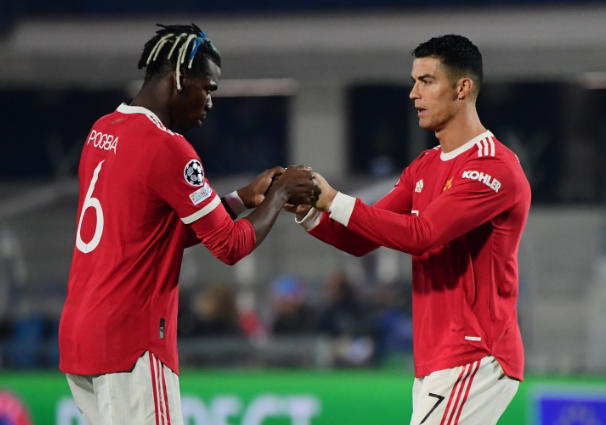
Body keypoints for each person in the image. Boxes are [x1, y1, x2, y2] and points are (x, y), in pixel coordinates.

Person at [58, 23, 314, 425]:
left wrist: (239, 199)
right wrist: (280, 193)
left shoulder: (102, 130)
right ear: (179, 78)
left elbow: (152, 234)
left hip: (81, 338)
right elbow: (230, 246)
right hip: (132, 344)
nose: (210, 103)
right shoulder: (167, 147)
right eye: (207, 89)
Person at [294, 35, 531, 424]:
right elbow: (360, 238)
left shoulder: (493, 167)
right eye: (414, 81)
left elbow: (422, 234)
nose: (413, 93)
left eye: (427, 81)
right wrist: (310, 212)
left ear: (462, 88)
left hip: (474, 356)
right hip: (436, 360)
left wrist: (333, 198)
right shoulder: (424, 165)